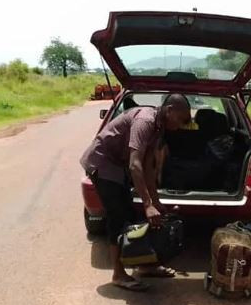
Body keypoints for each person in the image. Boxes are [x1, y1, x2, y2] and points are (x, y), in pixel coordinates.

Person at [80, 93, 191, 291]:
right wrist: (147, 205)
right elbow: (135, 165)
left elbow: (148, 167)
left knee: (132, 216)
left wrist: (155, 202)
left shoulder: (159, 127)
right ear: (170, 110)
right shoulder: (145, 121)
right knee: (118, 217)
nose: (182, 125)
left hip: (117, 164)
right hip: (103, 164)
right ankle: (118, 274)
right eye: (182, 119)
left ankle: (145, 266)